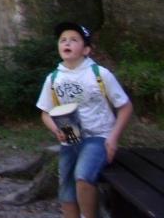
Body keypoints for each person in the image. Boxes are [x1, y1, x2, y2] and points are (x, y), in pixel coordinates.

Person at [36, 22, 133, 218]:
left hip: (99, 137)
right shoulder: (54, 78)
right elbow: (45, 112)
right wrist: (56, 130)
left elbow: (125, 107)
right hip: (70, 137)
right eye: (63, 40)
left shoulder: (99, 74)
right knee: (66, 189)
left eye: (74, 39)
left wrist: (113, 139)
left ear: (86, 49)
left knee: (83, 176)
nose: (67, 43)